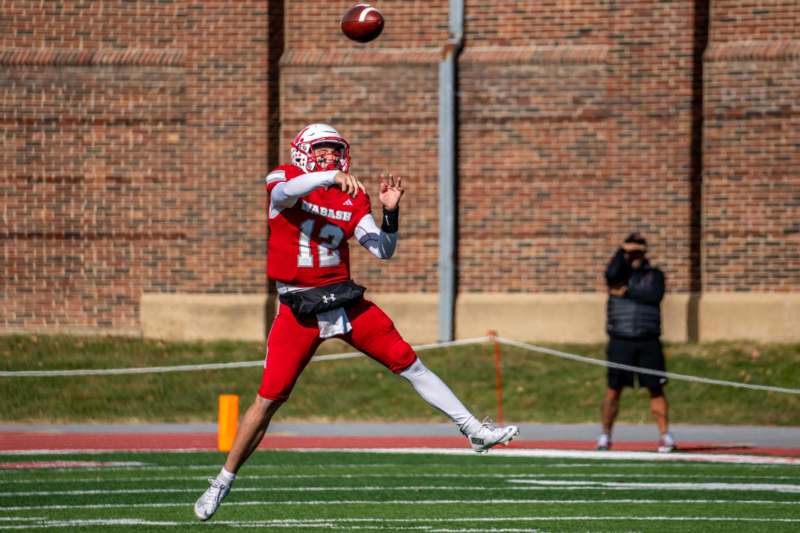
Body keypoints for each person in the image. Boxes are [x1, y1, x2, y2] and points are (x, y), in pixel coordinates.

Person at [194, 123, 519, 521]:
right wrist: (329, 176)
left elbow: (382, 250)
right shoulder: (286, 177)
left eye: (335, 150)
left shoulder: (352, 197)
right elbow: (283, 192)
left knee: (409, 362)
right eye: (323, 150)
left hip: (343, 298)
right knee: (268, 399)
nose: (330, 155)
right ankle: (222, 482)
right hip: (299, 308)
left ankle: (473, 430)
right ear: (304, 152)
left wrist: (391, 212)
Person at [596, 232, 675, 453]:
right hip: (620, 339)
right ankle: (605, 435)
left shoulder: (654, 274)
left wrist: (627, 292)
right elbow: (610, 274)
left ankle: (664, 436)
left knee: (656, 388)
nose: (635, 254)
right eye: (631, 250)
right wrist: (622, 251)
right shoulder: (617, 273)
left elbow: (654, 295)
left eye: (638, 250)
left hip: (648, 339)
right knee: (613, 389)